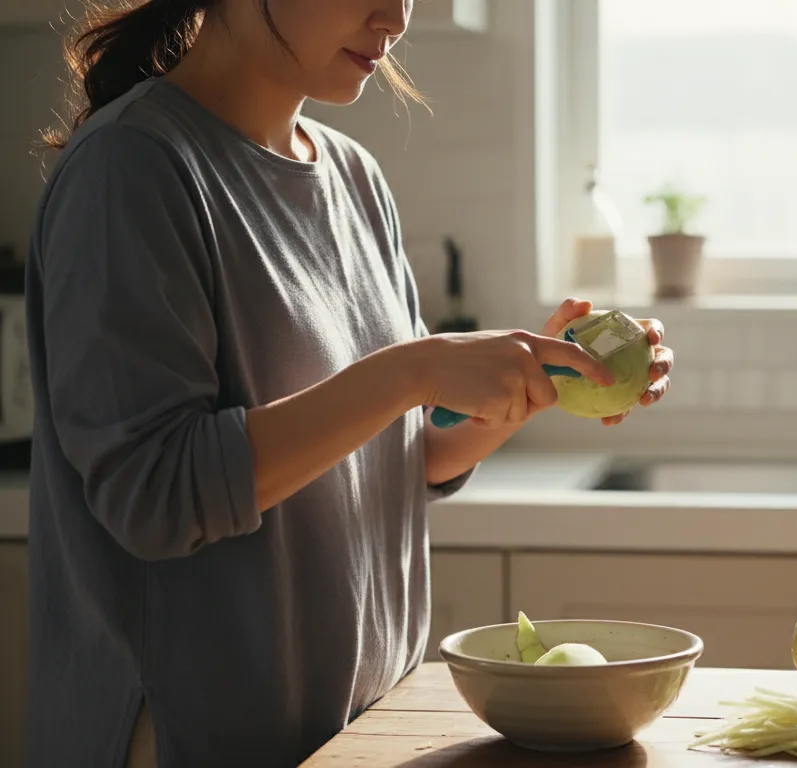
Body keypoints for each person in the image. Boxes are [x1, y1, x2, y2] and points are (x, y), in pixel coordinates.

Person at [23, 0, 674, 765]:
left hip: (353, 732)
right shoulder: (131, 167)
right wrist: (413, 371)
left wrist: (531, 385)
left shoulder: (355, 177)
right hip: (193, 738)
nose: (395, 17)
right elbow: (157, 494)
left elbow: (400, 459)